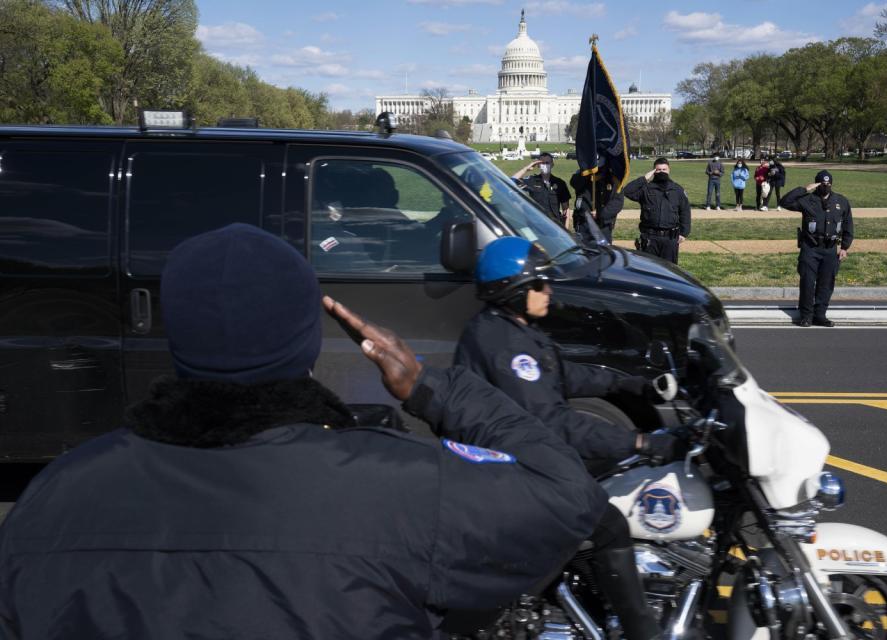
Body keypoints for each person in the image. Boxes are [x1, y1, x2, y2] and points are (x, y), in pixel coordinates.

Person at [0, 223, 609, 639]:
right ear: (308, 348)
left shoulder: (56, 495)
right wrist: (430, 387)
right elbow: (568, 494)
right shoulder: (400, 489)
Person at [454, 236, 686, 640]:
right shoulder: (505, 346)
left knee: (610, 475)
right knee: (607, 521)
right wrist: (640, 444)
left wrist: (635, 385)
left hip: (513, 457)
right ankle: (640, 629)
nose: (549, 289)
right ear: (514, 291)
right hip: (505, 471)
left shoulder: (512, 329)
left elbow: (566, 375)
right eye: (539, 283)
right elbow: (553, 423)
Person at [781, 170, 854, 327]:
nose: (825, 186)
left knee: (826, 283)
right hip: (810, 248)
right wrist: (804, 189)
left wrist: (845, 247)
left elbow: (848, 224)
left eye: (828, 183)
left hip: (830, 249)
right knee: (807, 282)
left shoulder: (841, 201)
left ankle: (820, 315)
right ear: (816, 184)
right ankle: (806, 316)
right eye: (822, 183)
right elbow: (784, 202)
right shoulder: (807, 200)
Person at [623, 157, 692, 264]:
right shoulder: (646, 189)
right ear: (654, 171)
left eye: (664, 169)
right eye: (658, 170)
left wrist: (684, 233)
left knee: (669, 272)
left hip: (670, 239)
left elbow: (685, 211)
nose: (661, 172)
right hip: (649, 238)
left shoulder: (677, 190)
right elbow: (627, 191)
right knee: (648, 270)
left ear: (669, 170)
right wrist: (645, 178)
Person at [512, 152, 571, 226]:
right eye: (542, 163)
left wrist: (566, 230)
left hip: (555, 226)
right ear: (538, 165)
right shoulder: (531, 180)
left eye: (547, 163)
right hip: (536, 225)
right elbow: (511, 181)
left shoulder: (560, 183)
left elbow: (566, 209)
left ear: (552, 164)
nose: (545, 165)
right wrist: (526, 169)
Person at [569, 166, 624, 242]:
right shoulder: (583, 174)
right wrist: (587, 171)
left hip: (603, 226)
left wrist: (600, 213)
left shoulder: (613, 178)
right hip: (584, 223)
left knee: (604, 252)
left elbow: (618, 202)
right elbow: (574, 183)